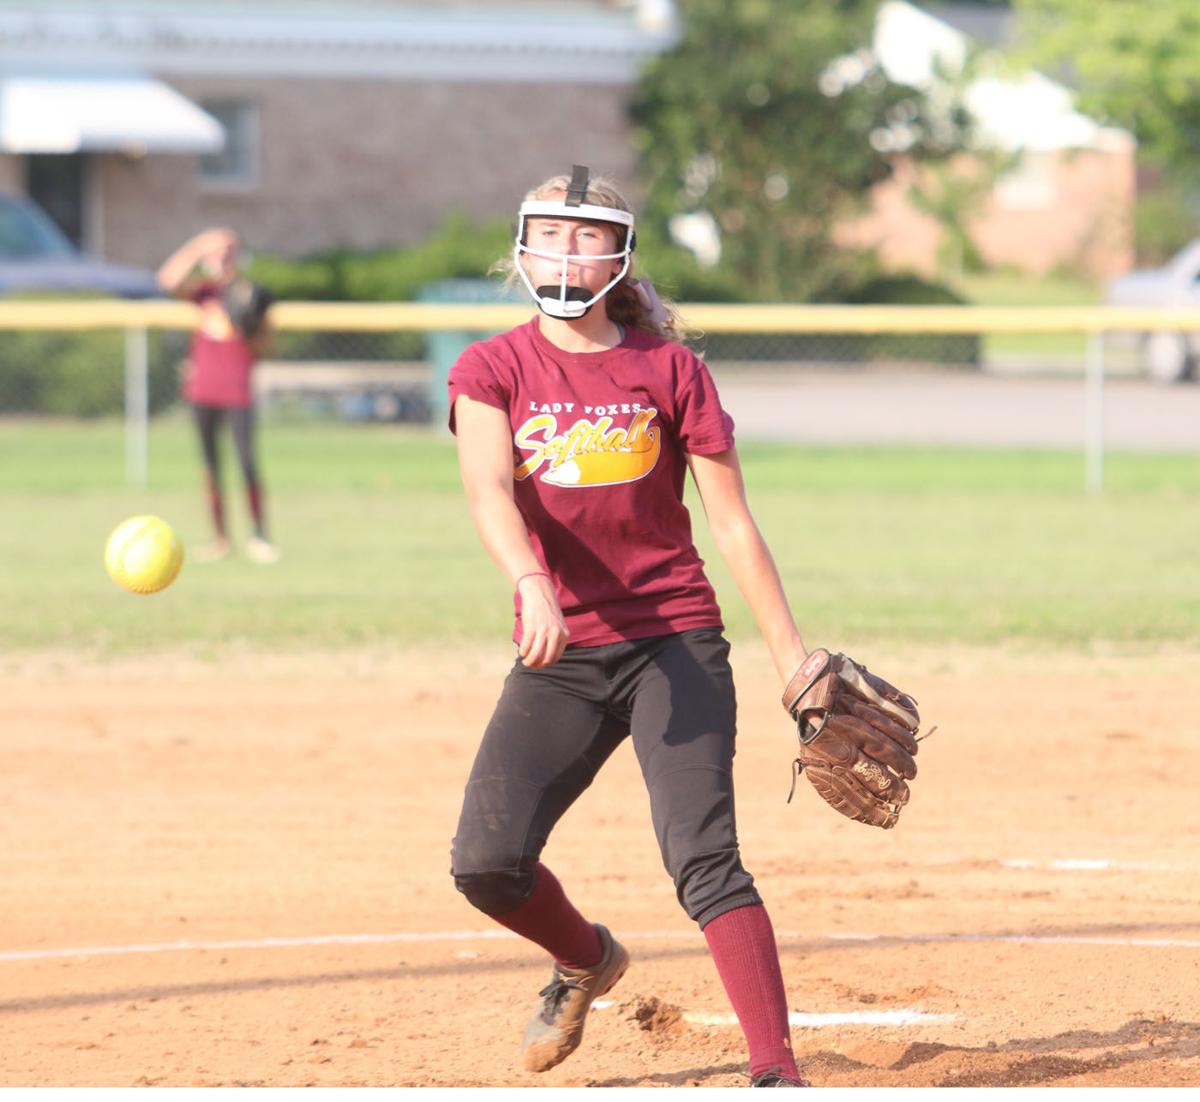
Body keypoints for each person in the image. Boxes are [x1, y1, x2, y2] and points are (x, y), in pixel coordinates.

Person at [446, 167, 811, 1087]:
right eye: (550, 234)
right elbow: (489, 488)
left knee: (704, 859)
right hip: (561, 649)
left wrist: (793, 659)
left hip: (673, 643)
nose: (566, 252)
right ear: (522, 248)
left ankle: (776, 1071)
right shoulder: (493, 365)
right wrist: (530, 578)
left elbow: (731, 523)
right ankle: (584, 958)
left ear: (620, 253)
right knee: (486, 863)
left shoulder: (669, 368)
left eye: (587, 234)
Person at [156, 227, 280, 564]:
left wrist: (248, 330)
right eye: (219, 250)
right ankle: (220, 539)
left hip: (237, 388)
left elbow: (267, 346)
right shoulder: (205, 291)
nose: (223, 256)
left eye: (229, 249)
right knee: (210, 466)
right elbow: (166, 280)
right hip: (203, 389)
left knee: (246, 462)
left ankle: (259, 535)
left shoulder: (253, 293)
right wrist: (198, 247)